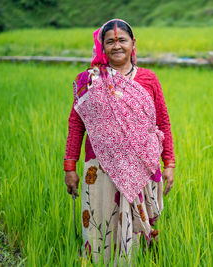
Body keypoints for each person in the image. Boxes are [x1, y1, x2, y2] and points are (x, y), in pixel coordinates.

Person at [63, 19, 175, 264]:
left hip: (141, 167)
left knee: (138, 225)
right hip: (100, 168)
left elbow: (163, 123)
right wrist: (69, 167)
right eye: (110, 41)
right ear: (102, 46)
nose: (116, 46)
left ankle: (139, 260)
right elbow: (76, 124)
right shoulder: (89, 81)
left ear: (133, 44)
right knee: (101, 217)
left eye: (122, 40)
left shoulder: (148, 79)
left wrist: (169, 164)